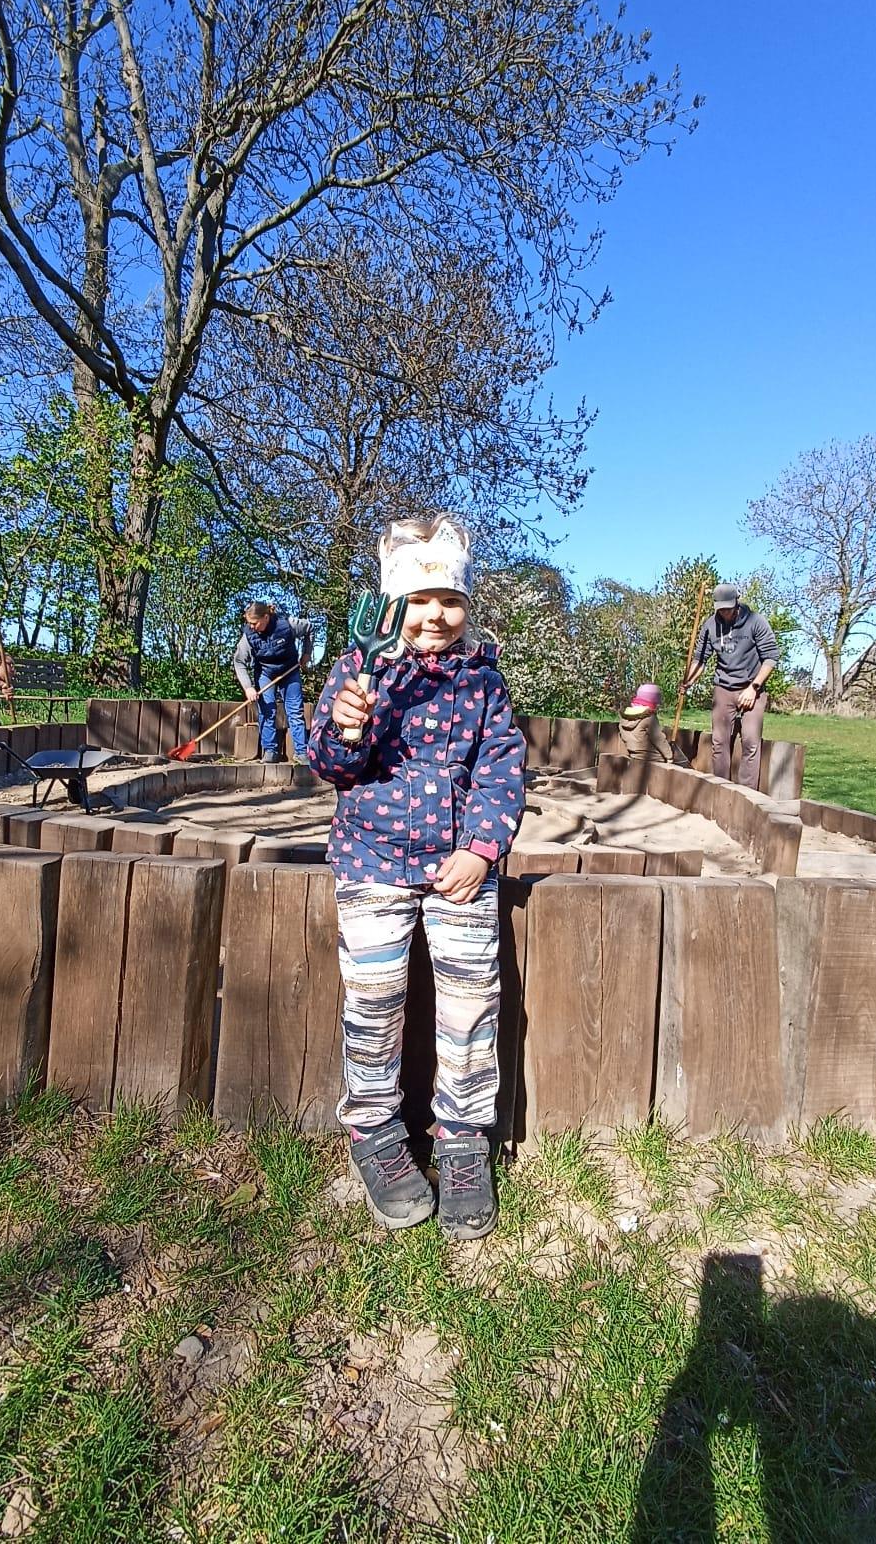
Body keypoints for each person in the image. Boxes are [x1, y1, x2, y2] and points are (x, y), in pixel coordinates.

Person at [308, 514, 525, 1241]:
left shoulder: (484, 683)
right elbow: (333, 768)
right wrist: (348, 725)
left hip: (458, 869)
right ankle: (373, 1130)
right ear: (389, 605)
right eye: (418, 599)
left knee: (470, 1006)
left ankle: (462, 1139)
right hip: (372, 861)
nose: (435, 614)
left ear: (467, 606)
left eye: (450, 599)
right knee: (374, 1002)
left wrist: (482, 850)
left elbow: (501, 773)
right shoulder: (359, 670)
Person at [681, 583, 779, 791]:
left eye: (729, 608)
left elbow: (771, 658)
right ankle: (721, 789)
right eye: (721, 609)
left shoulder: (756, 621)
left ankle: (747, 795)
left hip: (752, 687)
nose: (725, 612)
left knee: (750, 742)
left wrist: (753, 688)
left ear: (736, 602)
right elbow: (700, 658)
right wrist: (689, 681)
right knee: (719, 742)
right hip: (723, 687)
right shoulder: (710, 625)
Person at [232, 601, 314, 764]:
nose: (251, 626)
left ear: (266, 617)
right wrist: (248, 688)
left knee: (295, 711)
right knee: (267, 711)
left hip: (289, 671)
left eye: (254, 623)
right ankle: (270, 751)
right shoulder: (248, 636)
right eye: (249, 623)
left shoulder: (288, 625)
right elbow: (239, 662)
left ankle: (301, 752)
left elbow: (309, 628)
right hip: (265, 673)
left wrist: (307, 653)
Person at [618, 683, 689, 765]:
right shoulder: (649, 718)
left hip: (634, 755)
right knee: (680, 763)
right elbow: (659, 739)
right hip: (653, 758)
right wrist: (669, 757)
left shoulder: (625, 718)